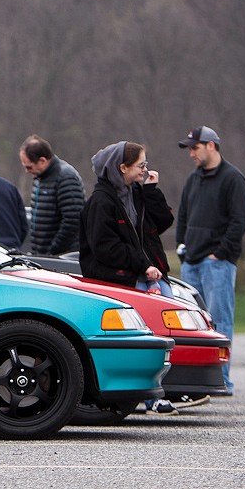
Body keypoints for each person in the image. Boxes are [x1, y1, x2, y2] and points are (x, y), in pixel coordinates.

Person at [79, 140, 178, 415]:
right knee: (146, 336)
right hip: (124, 279)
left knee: (166, 332)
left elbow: (163, 223)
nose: (145, 170)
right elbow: (105, 248)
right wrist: (142, 266)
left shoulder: (137, 193)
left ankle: (161, 391)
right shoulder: (101, 202)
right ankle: (149, 396)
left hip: (151, 274)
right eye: (140, 165)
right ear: (122, 168)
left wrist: (152, 191)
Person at [176, 125, 245, 395]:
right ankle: (196, 381)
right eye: (189, 149)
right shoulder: (193, 179)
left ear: (211, 146)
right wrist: (182, 248)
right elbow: (183, 216)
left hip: (217, 264)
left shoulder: (233, 178)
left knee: (220, 321)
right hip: (192, 262)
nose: (191, 154)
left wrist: (219, 253)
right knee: (192, 324)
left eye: (195, 148)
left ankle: (222, 380)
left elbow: (239, 221)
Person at [19, 135, 85, 255]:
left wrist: (53, 251)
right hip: (44, 254)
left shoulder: (66, 177)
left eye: (29, 167)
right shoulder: (41, 177)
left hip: (62, 256)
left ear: (42, 161)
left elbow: (73, 220)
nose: (27, 171)